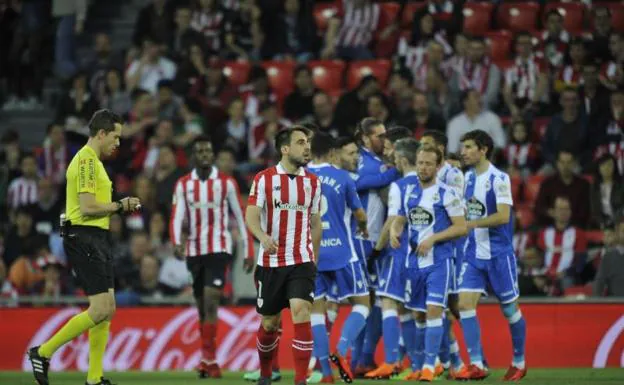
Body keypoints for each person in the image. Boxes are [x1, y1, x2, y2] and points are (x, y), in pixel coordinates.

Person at [28, 109, 141, 385]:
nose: (118, 143)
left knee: (107, 308)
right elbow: (88, 207)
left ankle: (94, 378)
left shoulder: (94, 163)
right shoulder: (87, 161)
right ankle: (43, 352)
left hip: (97, 237)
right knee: (100, 308)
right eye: (115, 137)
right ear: (101, 134)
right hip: (84, 236)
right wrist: (120, 205)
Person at [170, 135, 254, 378]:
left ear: (212, 156)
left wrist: (248, 250)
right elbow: (176, 216)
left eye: (209, 151)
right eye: (201, 151)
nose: (205, 155)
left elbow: (240, 216)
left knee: (211, 298)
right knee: (201, 306)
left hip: (219, 247)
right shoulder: (184, 184)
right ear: (194, 156)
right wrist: (177, 242)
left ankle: (211, 359)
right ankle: (207, 358)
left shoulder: (226, 183)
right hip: (194, 250)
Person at [246, 127, 322, 385]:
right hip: (271, 262)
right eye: (301, 143)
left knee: (301, 311)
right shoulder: (264, 179)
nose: (307, 147)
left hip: (301, 260)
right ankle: (266, 373)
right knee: (270, 323)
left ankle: (300, 380)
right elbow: (251, 215)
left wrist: (315, 257)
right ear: (285, 149)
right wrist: (262, 237)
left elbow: (315, 222)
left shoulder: (313, 182)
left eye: (308, 142)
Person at [390, 142, 468, 381]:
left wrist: (434, 238)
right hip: (414, 264)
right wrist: (395, 229)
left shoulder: (447, 193)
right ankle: (445, 362)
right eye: (420, 163)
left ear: (438, 166)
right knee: (419, 316)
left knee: (435, 309)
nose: (423, 167)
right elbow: (402, 217)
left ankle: (428, 367)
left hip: (439, 262)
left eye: (428, 164)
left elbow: (462, 227)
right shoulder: (410, 191)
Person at [456, 130, 527, 381]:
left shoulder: (499, 178)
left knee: (510, 311)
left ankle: (519, 361)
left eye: (468, 147)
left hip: (498, 255)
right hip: (473, 254)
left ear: (483, 149)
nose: (463, 152)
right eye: (462, 147)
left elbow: (503, 216)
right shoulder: (466, 178)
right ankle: (477, 363)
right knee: (464, 304)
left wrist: (472, 224)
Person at [306, 132, 370, 383]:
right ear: (332, 153)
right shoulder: (342, 177)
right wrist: (363, 228)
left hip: (313, 254)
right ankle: (342, 350)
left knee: (316, 314)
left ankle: (325, 373)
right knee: (363, 303)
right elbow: (360, 214)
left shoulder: (300, 179)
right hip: (343, 252)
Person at [351, 118, 401, 376]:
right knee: (367, 300)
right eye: (379, 135)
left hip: (377, 240)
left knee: (374, 300)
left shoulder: (379, 161)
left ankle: (362, 358)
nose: (384, 139)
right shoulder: (357, 157)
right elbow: (357, 181)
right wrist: (392, 171)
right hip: (361, 240)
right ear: (365, 137)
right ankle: (359, 358)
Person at [419, 130, 466, 375]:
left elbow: (459, 217)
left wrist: (434, 239)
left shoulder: (453, 177)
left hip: (449, 254)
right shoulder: (412, 187)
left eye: (427, 148)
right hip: (419, 259)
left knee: (452, 309)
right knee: (433, 311)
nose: (423, 152)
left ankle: (471, 360)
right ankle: (452, 362)